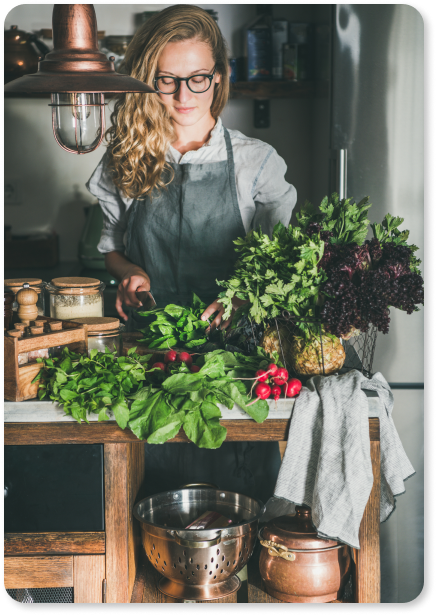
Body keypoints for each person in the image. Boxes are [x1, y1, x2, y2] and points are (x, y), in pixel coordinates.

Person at [86, 5, 297, 505]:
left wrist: (243, 297)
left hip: (239, 365)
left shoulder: (255, 162)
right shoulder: (125, 159)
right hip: (151, 357)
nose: (183, 95)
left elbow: (285, 264)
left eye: (198, 78)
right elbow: (109, 250)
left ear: (219, 78)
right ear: (145, 82)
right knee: (152, 488)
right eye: (166, 80)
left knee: (239, 492)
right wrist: (129, 273)